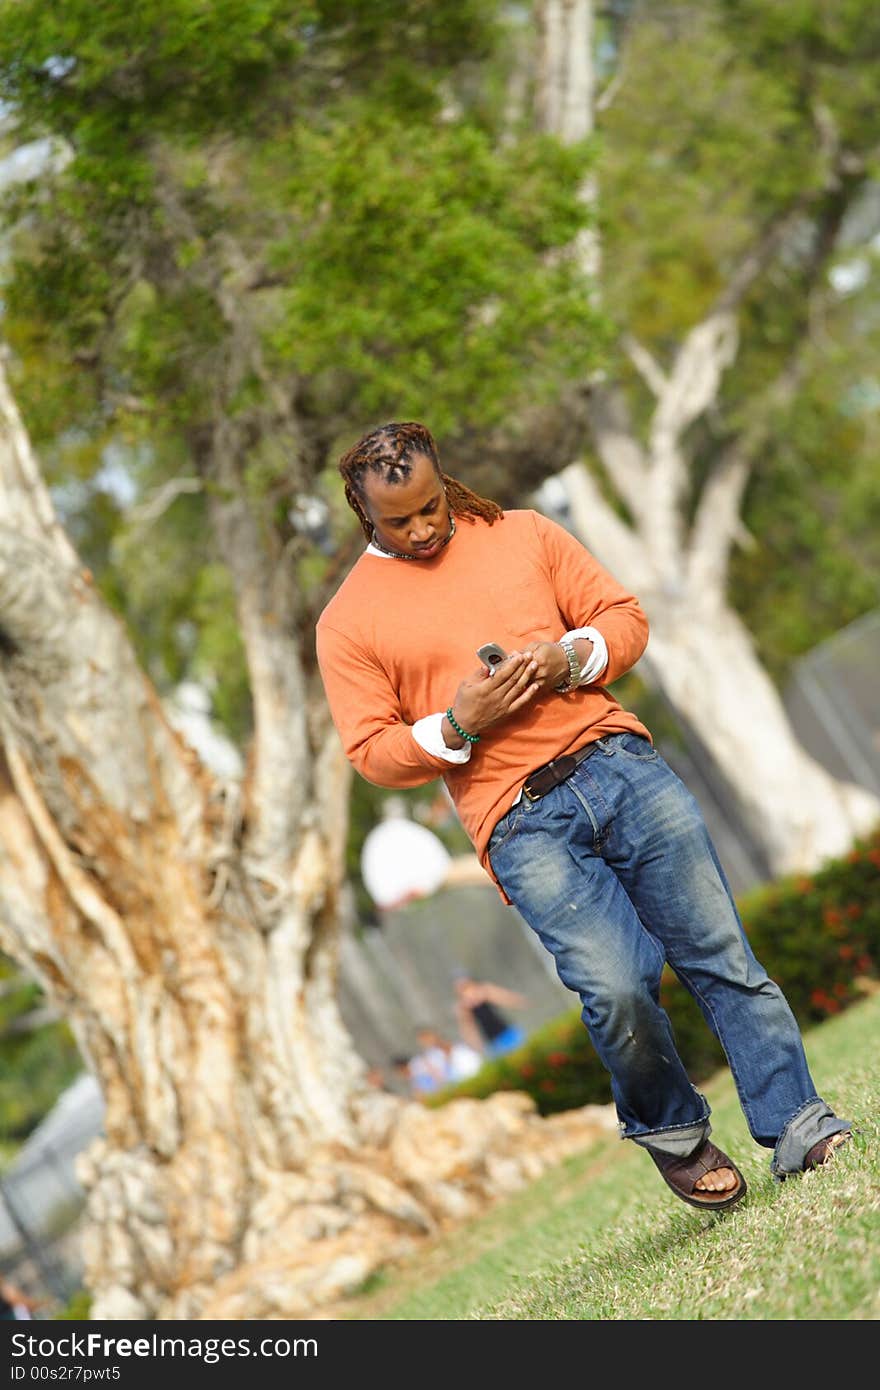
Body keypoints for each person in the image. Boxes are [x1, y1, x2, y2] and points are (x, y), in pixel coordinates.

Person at [316, 420, 853, 1210]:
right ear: (367, 516)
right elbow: (373, 751)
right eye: (402, 520)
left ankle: (800, 1123)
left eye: (432, 506)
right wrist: (458, 722)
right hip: (519, 821)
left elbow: (624, 620)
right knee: (616, 986)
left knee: (720, 955)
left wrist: (569, 656)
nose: (425, 527)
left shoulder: (523, 534)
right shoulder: (347, 622)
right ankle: (673, 1134)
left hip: (620, 768)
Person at [453, 975, 527, 1058]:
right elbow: (468, 1030)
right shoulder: (465, 1009)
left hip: (507, 1032)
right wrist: (476, 1046)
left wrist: (519, 1001)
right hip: (493, 1042)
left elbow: (504, 998)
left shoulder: (486, 993)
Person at [406, 1027, 482, 1095]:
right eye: (423, 1040)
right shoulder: (433, 1059)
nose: (427, 1041)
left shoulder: (461, 1051)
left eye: (427, 1037)